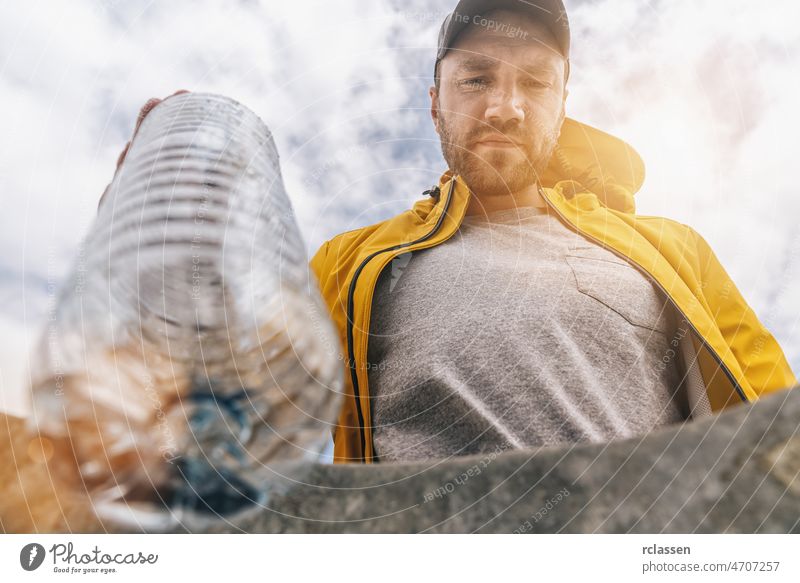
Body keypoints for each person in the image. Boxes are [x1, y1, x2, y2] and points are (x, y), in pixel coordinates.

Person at [114, 0, 796, 466]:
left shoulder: (672, 250)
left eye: (534, 83)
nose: (505, 105)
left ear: (561, 109)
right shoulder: (351, 264)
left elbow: (779, 427)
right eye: (477, 78)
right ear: (435, 101)